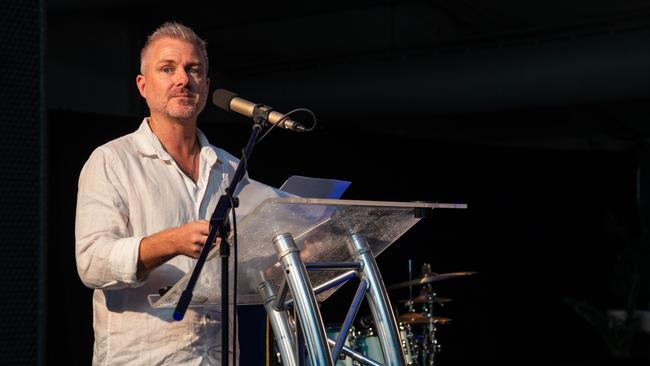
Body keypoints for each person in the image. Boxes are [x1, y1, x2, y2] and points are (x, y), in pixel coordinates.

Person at [75, 21, 283, 365]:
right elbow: (92, 263)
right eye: (167, 69)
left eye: (193, 69)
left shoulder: (230, 169)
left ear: (206, 85)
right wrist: (171, 242)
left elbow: (272, 226)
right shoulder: (112, 160)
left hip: (216, 357)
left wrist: (304, 238)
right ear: (143, 86)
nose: (183, 79)